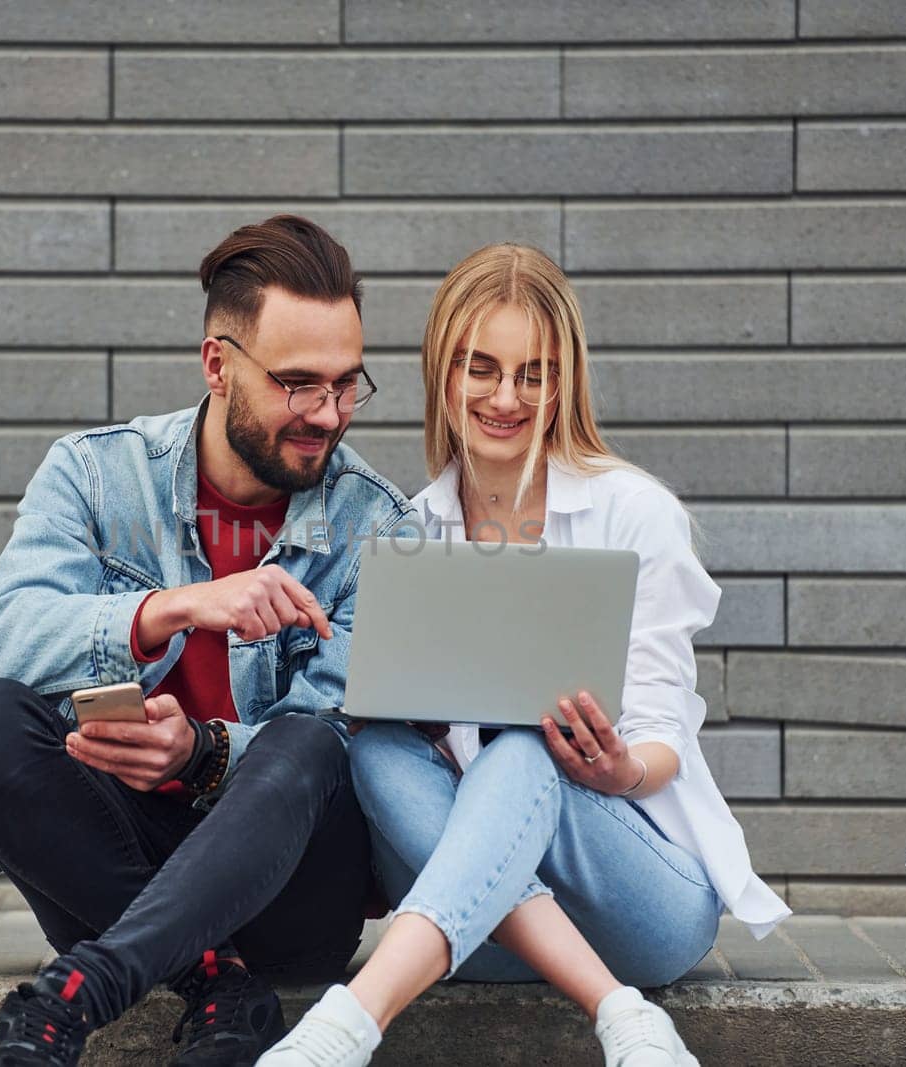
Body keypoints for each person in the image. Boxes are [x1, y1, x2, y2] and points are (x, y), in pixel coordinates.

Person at [259, 244, 791, 1067]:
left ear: (562, 381)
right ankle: (622, 1017)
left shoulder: (633, 512)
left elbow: (661, 732)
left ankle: (346, 1025)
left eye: (532, 374)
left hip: (638, 907)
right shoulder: (410, 530)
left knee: (530, 743)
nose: (505, 397)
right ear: (444, 370)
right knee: (375, 745)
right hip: (477, 930)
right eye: (482, 367)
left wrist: (618, 770)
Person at [0, 215, 413, 1067]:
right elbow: (11, 636)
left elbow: (342, 732)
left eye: (347, 385)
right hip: (110, 864)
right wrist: (178, 606)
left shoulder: (377, 525)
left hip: (289, 898)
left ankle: (96, 987)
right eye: (299, 384)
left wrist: (201, 753)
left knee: (314, 741)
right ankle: (215, 985)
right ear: (217, 363)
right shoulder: (94, 473)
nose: (328, 415)